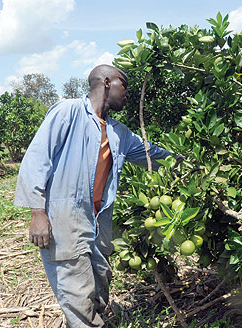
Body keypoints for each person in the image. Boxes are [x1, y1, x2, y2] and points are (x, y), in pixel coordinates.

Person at [14, 64, 171, 327]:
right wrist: (37, 212)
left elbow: (152, 154)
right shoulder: (69, 111)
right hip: (66, 219)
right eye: (125, 86)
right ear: (107, 82)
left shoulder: (119, 132)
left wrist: (189, 161)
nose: (128, 94)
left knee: (99, 286)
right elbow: (36, 160)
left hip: (99, 222)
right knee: (77, 293)